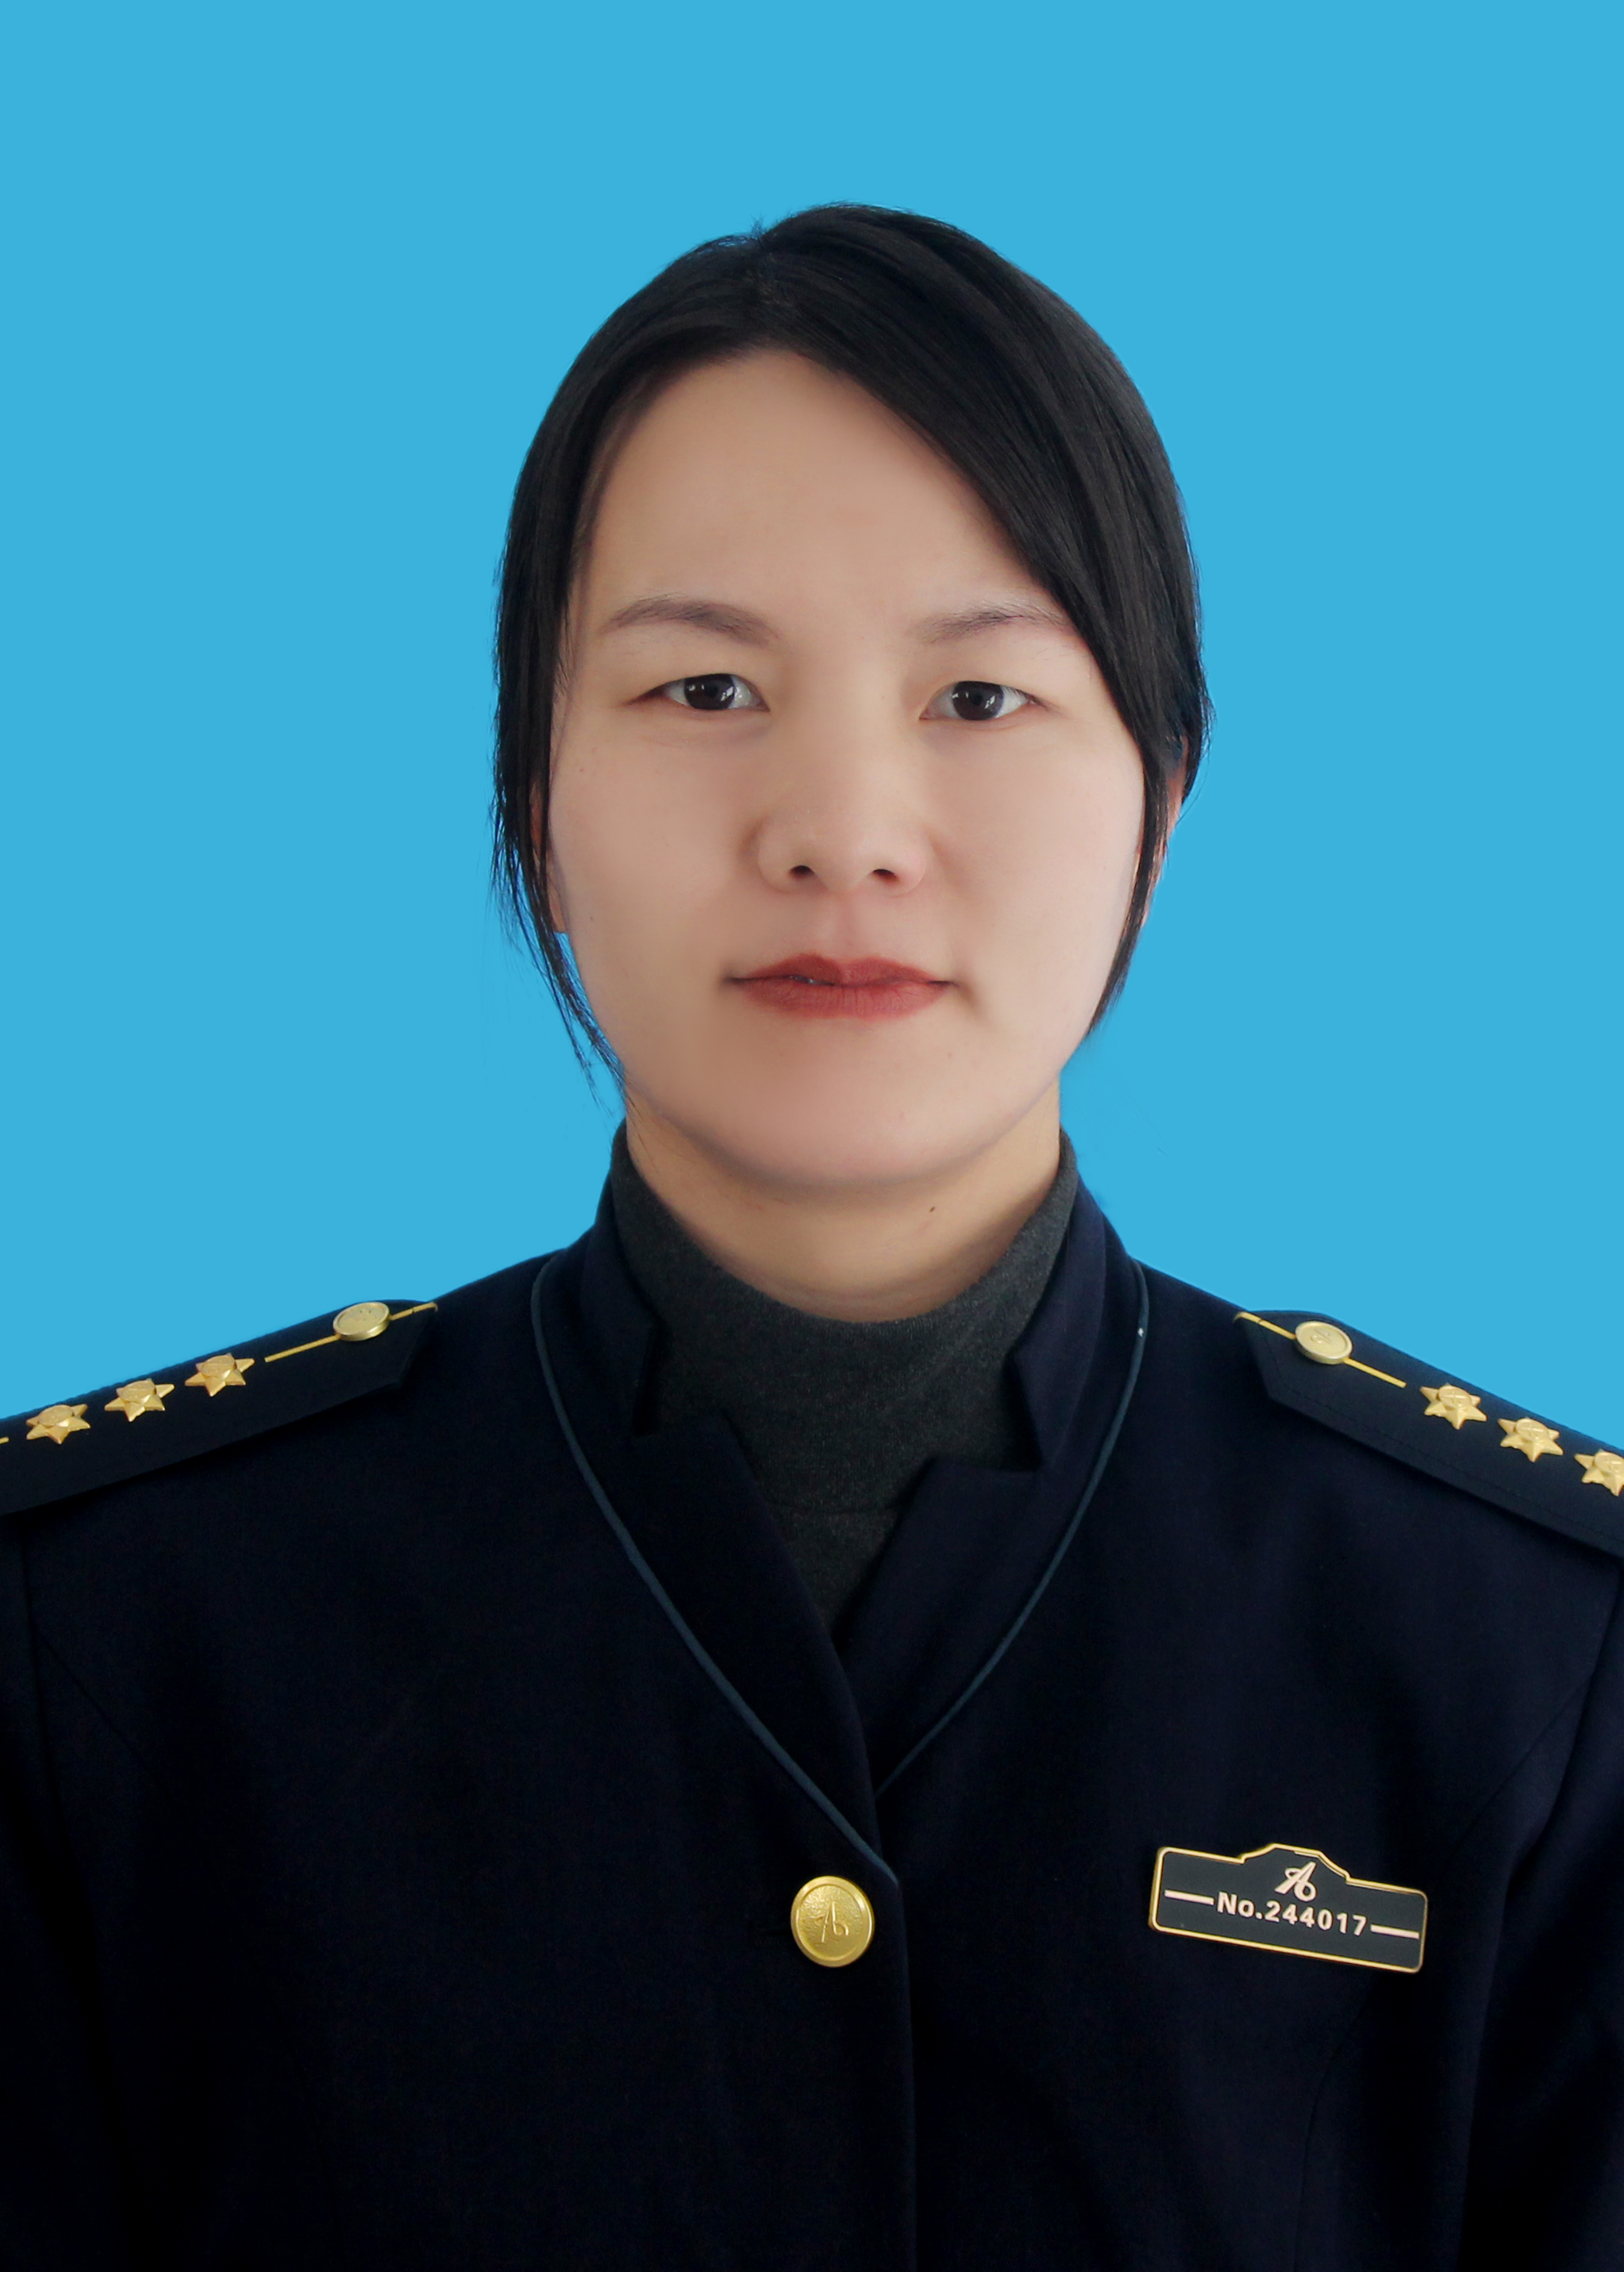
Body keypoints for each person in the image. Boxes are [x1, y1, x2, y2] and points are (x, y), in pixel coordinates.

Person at [2, 204, 1622, 2272]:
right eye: (705, 686)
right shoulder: (110, 1632)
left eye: (980, 697)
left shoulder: (1529, 1653)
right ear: (532, 798)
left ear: (1164, 798)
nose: (841, 831)